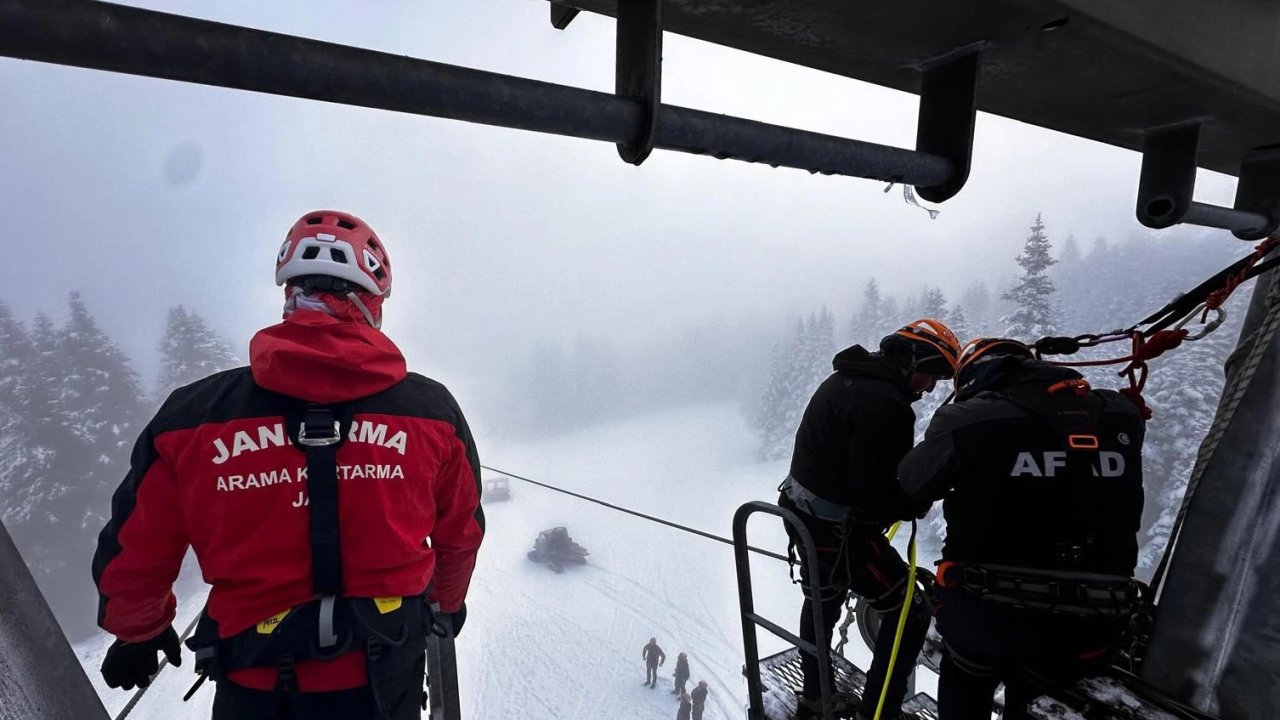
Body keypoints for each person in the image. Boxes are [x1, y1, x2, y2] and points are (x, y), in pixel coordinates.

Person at [92, 210, 485, 720]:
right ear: (371, 303)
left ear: (289, 294)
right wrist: (447, 604)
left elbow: (137, 546)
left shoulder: (193, 417)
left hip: (254, 683)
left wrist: (138, 631)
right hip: (382, 677)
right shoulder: (431, 412)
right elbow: (460, 533)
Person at [898, 338, 1146, 720]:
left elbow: (911, 484)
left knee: (966, 685)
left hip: (986, 615)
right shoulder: (1120, 413)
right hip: (1094, 621)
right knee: (1033, 693)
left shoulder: (967, 420)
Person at [778, 319, 960, 719]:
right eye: (932, 375)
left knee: (823, 600)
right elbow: (876, 494)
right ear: (913, 361)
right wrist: (915, 500)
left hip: (801, 512)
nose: (931, 387)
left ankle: (817, 696)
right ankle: (879, 712)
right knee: (910, 611)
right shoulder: (885, 404)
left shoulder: (847, 378)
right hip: (834, 531)